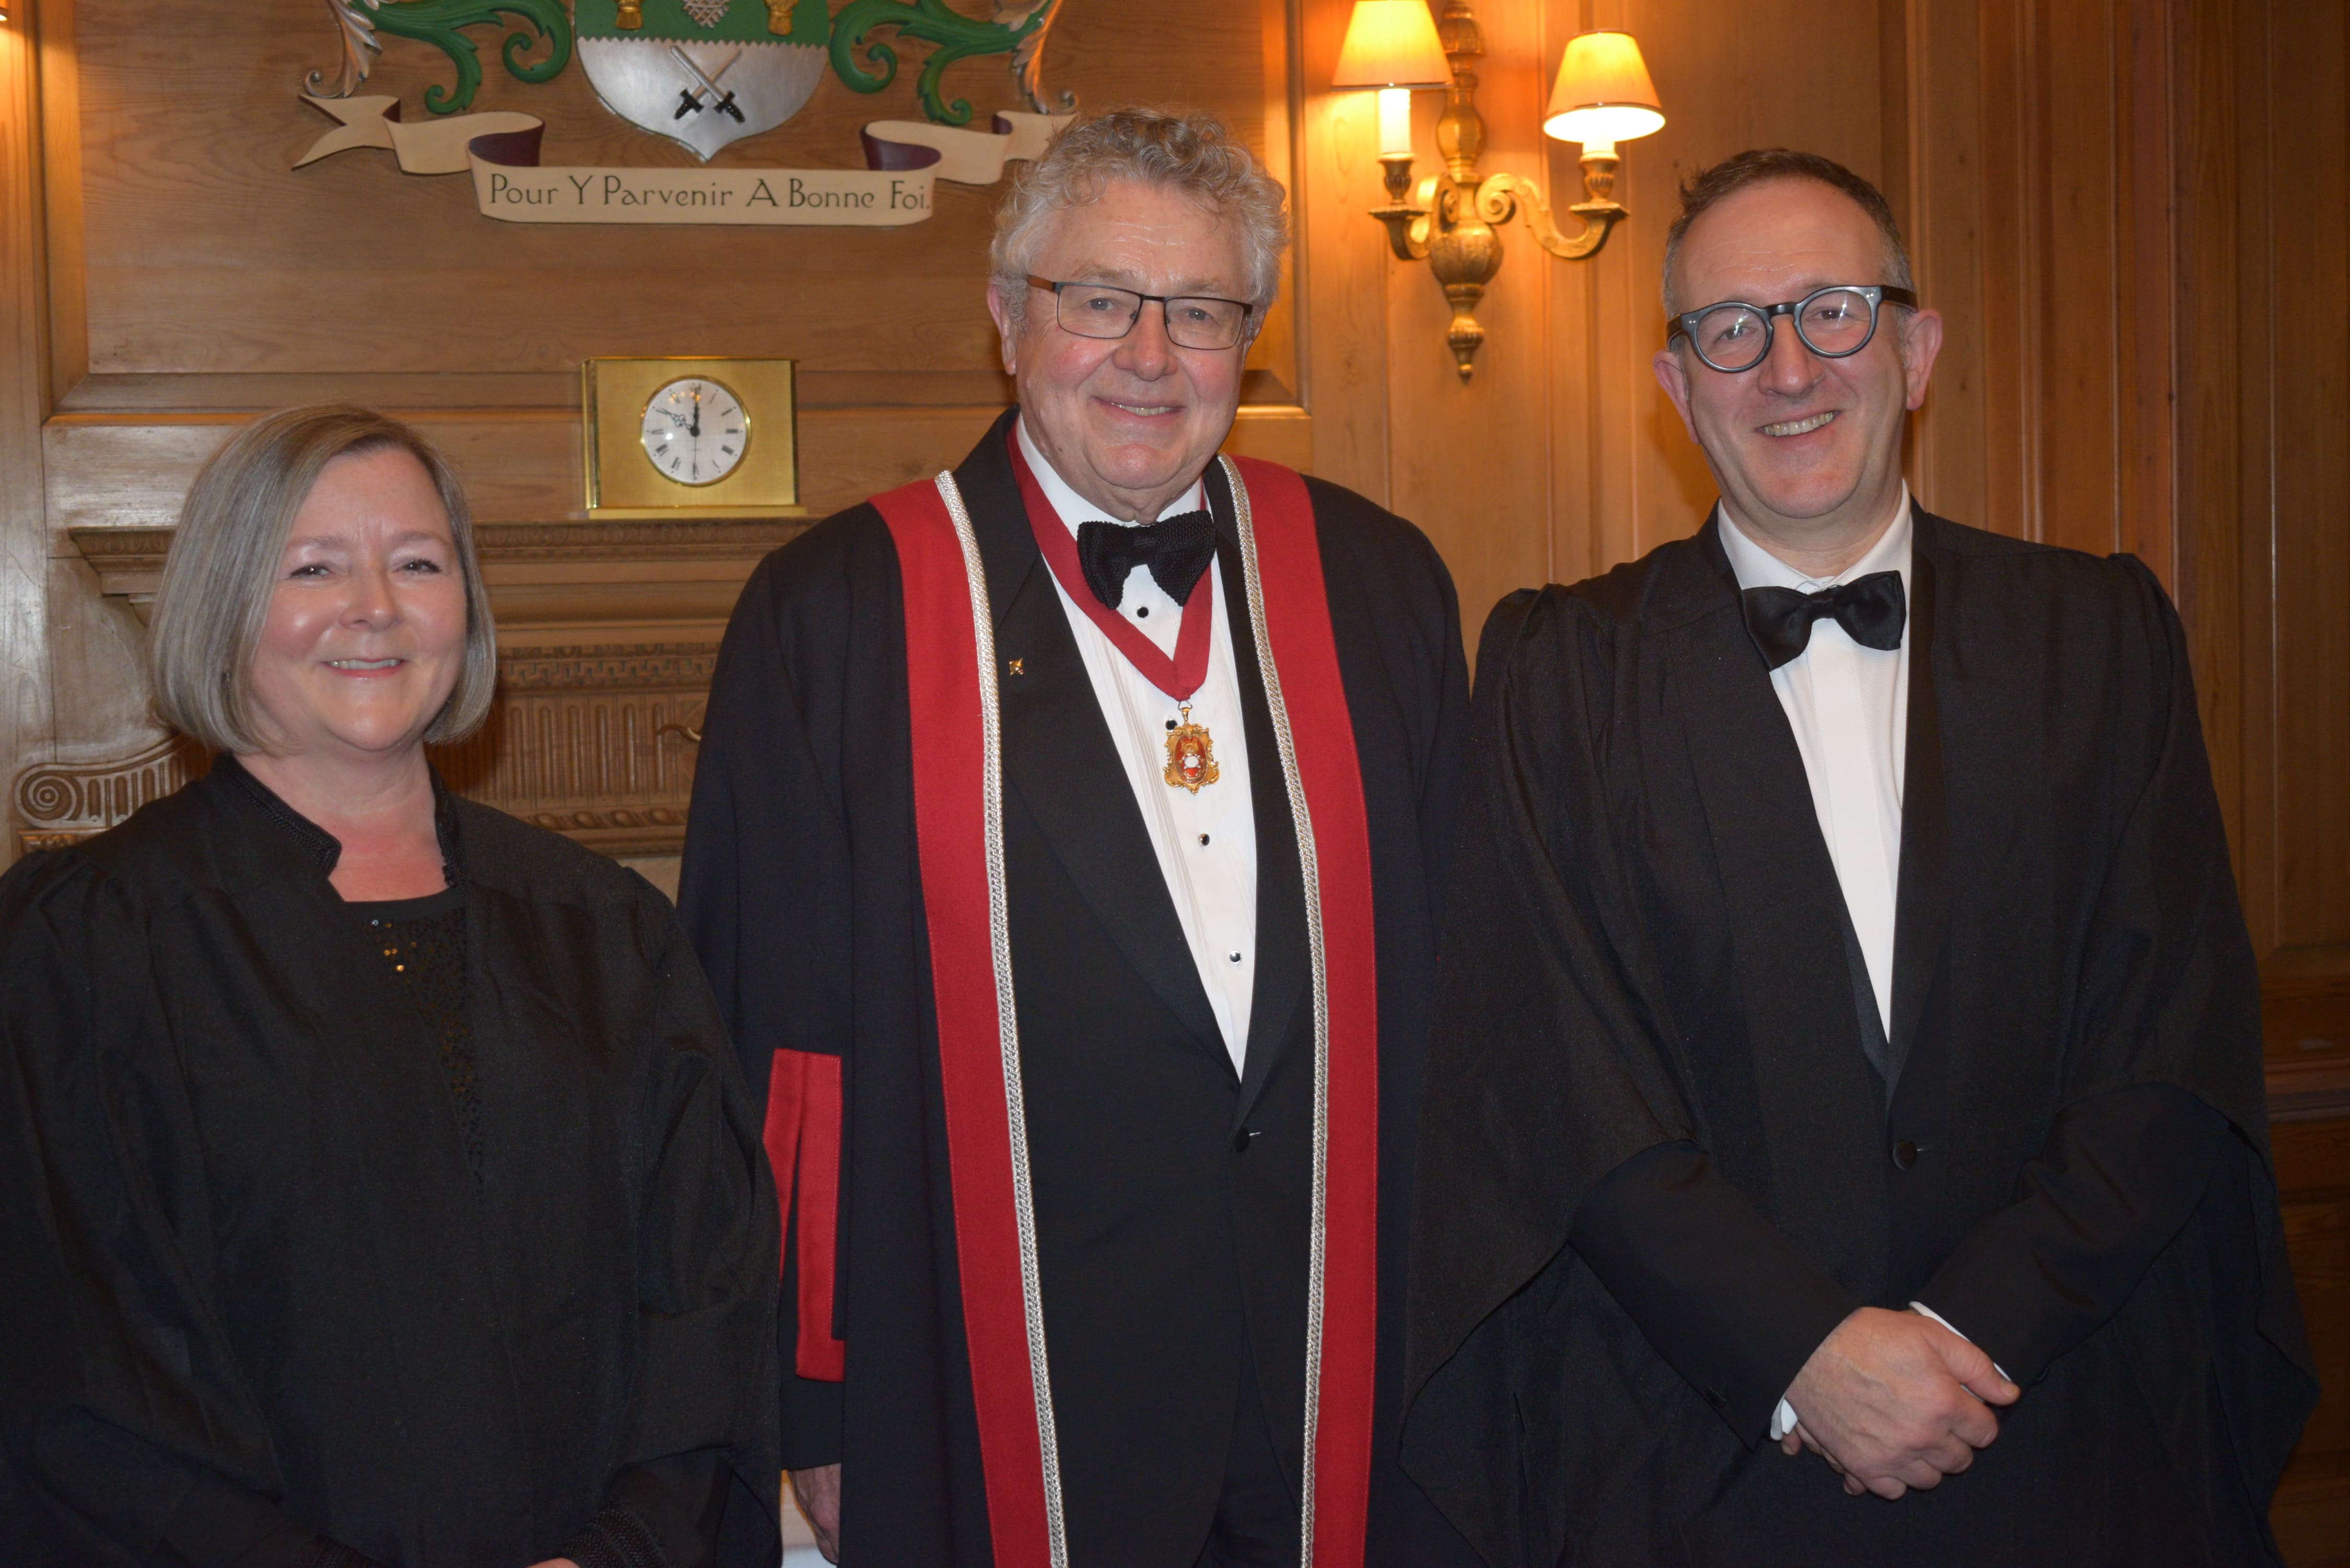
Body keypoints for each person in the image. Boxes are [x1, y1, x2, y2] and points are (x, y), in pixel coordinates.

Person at [1400, 151, 2319, 1566]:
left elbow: (2172, 1046)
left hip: (2062, 1441)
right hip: (1695, 1462)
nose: (1786, 368)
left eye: (1830, 310)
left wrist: (1962, 1341)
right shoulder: (1555, 669)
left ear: (1917, 347)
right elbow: (1554, 1076)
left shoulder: (2105, 637)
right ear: (1678, 384)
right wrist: (1802, 1357)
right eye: (1732, 328)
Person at [678, 109, 1478, 1566]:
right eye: (1100, 301)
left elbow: (1465, 1006)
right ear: (1006, 318)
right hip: (984, 1382)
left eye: (1201, 311)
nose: (1149, 356)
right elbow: (775, 1056)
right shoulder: (839, 614)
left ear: (1253, 335)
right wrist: (816, 1406)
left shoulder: (1379, 587)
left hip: (1342, 1370)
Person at [0, 406, 781, 1568]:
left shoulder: (603, 929)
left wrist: (629, 1549)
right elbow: (75, 1362)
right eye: (313, 567)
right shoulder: (88, 946)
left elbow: (707, 1289)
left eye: (417, 563)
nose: (375, 606)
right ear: (223, 606)